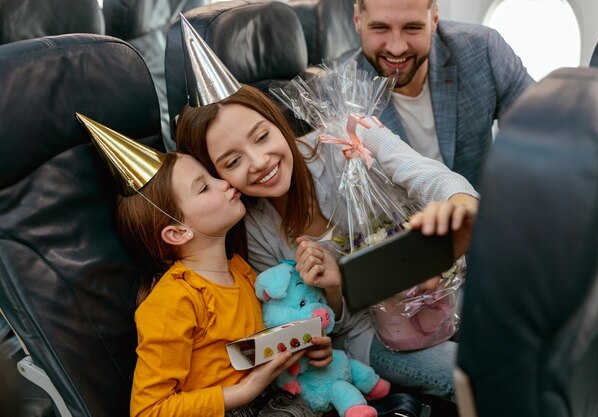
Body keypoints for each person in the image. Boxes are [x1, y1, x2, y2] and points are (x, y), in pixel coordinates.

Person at [175, 84, 479, 402]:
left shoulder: (344, 139)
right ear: (218, 177)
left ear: (278, 123)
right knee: (474, 376)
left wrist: (458, 212)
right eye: (232, 162)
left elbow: (430, 176)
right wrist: (333, 289)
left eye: (262, 137)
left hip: (438, 295)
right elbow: (327, 327)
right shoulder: (254, 233)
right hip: (369, 336)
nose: (259, 162)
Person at [77, 114, 331, 417]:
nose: (224, 183)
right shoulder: (173, 301)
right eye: (204, 187)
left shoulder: (242, 272)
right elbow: (148, 410)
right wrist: (247, 389)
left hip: (277, 401)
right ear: (178, 232)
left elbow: (254, 348)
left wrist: (301, 347)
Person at [348, 0, 535, 186]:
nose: (397, 48)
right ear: (358, 20)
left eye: (412, 28)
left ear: (434, 19)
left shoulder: (482, 50)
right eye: (380, 28)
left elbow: (541, 130)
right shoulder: (340, 95)